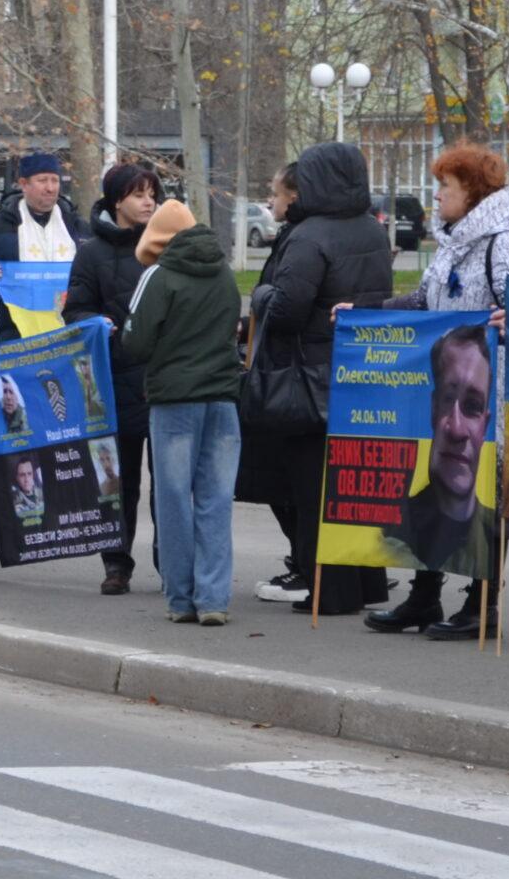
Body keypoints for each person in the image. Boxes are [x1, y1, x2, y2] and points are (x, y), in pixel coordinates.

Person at [362, 144, 509, 638]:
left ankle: (483, 605)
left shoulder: (504, 244)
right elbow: (424, 302)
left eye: (445, 186)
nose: (436, 196)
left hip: (491, 400)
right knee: (437, 488)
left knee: (488, 497)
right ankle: (424, 597)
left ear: (472, 192)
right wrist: (365, 313)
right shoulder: (454, 243)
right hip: (448, 393)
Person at [250, 142, 393, 614]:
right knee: (355, 483)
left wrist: (261, 295)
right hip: (365, 368)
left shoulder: (309, 236)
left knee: (313, 487)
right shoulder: (372, 230)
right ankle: (367, 584)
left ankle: (328, 590)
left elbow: (287, 309)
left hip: (310, 376)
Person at [124, 199, 244, 624]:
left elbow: (135, 342)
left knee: (174, 498)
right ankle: (214, 599)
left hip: (175, 400)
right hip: (223, 399)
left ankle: (180, 599)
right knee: (216, 499)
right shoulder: (224, 273)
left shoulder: (159, 275)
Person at [65, 162, 160, 594]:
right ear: (117, 200)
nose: (148, 202)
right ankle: (116, 564)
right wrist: (94, 321)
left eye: (152, 194)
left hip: (161, 379)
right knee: (118, 483)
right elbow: (74, 310)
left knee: (169, 484)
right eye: (139, 194)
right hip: (114, 380)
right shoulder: (91, 253)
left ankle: (171, 562)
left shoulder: (165, 245)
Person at [381, 323, 500, 575]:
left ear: (485, 424)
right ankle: (425, 590)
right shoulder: (388, 533)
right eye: (447, 399)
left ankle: (481, 596)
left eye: (473, 406)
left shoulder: (493, 530)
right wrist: (357, 309)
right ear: (433, 409)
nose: (456, 429)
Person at [239, 164, 303, 599]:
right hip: (289, 370)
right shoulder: (293, 236)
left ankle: (306, 564)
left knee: (281, 477)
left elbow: (284, 304)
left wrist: (259, 299)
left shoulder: (300, 239)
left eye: (275, 193)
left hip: (286, 376)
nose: (270, 200)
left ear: (293, 197)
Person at [0, 151, 86, 298]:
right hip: (14, 310)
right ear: (24, 184)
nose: (50, 188)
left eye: (55, 181)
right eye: (42, 180)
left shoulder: (76, 225)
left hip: (68, 311)